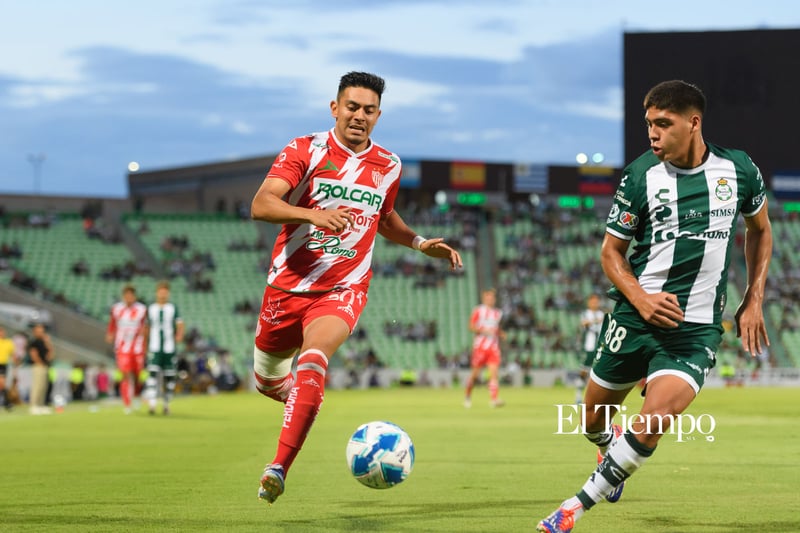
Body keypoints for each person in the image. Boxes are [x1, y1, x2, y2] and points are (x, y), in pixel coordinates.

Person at [536, 80, 772, 532]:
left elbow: (760, 230)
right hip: (633, 318)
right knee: (591, 420)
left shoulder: (738, 169)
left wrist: (753, 297)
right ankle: (609, 446)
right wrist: (641, 298)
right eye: (649, 124)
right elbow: (610, 252)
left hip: (695, 328)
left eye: (663, 124)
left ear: (693, 122)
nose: (653, 133)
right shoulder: (640, 175)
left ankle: (574, 507)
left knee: (658, 417)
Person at [249, 71, 462, 505]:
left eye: (368, 111)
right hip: (286, 289)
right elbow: (262, 203)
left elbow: (383, 219)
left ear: (378, 116)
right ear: (335, 108)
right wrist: (313, 215)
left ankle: (278, 467)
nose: (359, 117)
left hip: (343, 288)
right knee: (268, 382)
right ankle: (305, 401)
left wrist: (420, 242)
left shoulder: (389, 165)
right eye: (352, 107)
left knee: (313, 358)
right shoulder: (305, 149)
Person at [143, 280, 184, 415]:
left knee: (170, 377)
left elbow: (180, 324)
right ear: (157, 293)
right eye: (161, 292)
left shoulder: (173, 308)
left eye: (165, 292)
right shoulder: (151, 308)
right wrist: (145, 343)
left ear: (168, 293)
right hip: (154, 348)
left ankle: (167, 404)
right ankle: (152, 404)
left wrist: (179, 335)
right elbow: (146, 327)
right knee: (152, 374)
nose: (163, 295)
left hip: (169, 348)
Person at [106, 283, 148, 414]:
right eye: (127, 295)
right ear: (124, 296)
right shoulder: (117, 309)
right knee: (125, 374)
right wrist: (110, 334)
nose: (129, 297)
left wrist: (145, 344)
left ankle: (135, 395)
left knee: (137, 375)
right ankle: (127, 403)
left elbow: (145, 328)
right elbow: (112, 324)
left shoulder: (142, 309)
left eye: (131, 294)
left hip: (137, 346)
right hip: (122, 347)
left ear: (134, 296)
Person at [463, 288, 505, 408]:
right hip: (480, 347)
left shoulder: (498, 313)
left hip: (493, 347)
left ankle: (494, 399)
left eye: (492, 297)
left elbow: (495, 328)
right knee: (475, 375)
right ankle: (467, 395)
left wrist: (501, 333)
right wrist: (483, 330)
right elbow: (471, 326)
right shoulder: (478, 311)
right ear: (484, 298)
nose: (490, 299)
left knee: (493, 374)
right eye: (488, 297)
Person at [574, 294, 605, 404]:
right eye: (593, 301)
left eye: (596, 302)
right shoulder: (585, 314)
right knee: (583, 371)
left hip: (600, 348)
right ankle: (578, 395)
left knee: (597, 372)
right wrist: (596, 321)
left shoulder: (602, 314)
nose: (595, 303)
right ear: (589, 303)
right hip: (588, 347)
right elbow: (584, 323)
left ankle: (594, 398)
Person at [27, 323, 54, 415]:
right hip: (38, 366)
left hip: (45, 366)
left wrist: (47, 342)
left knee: (44, 386)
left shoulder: (44, 342)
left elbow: (50, 353)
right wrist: (40, 362)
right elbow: (33, 354)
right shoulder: (33, 342)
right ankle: (33, 405)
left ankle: (41, 405)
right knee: (37, 386)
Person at [0, 326, 15, 410]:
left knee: (2, 383)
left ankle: (6, 402)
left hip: (3, 365)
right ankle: (7, 402)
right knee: (1, 384)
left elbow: (12, 354)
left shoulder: (8, 342)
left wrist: (15, 366)